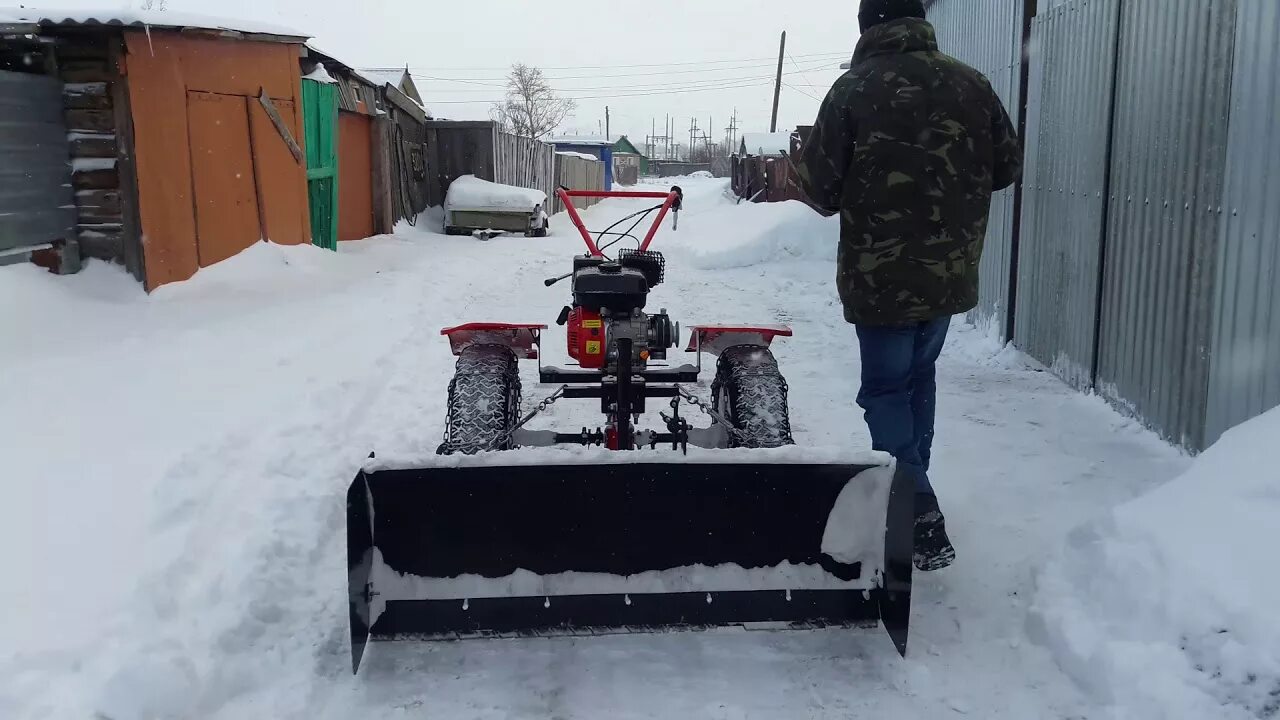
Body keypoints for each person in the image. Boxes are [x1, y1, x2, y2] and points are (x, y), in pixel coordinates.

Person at [795, 0, 1023, 571]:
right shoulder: (972, 84)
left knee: (885, 390)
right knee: (919, 377)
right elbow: (1007, 167)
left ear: (868, 26)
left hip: (881, 279)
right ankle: (915, 486)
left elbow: (820, 191)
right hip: (949, 271)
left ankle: (917, 504)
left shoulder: (852, 91)